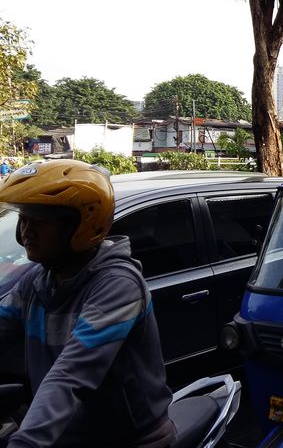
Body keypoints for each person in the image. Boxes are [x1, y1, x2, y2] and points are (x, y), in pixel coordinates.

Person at [0, 160, 175, 447]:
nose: (27, 232)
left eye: (39, 222)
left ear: (79, 227)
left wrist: (26, 443)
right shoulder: (38, 281)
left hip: (132, 440)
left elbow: (70, 376)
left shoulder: (118, 286)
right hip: (67, 436)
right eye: (24, 220)